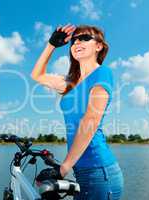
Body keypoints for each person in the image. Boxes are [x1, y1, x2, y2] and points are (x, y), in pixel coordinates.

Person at [31, 24, 124, 200]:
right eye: (74, 40)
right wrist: (51, 45)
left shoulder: (102, 72)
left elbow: (91, 120)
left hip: (99, 171)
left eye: (84, 38)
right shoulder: (71, 83)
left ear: (99, 46)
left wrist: (63, 169)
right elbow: (37, 75)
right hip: (81, 169)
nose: (77, 42)